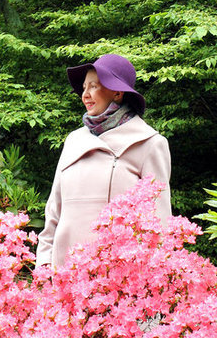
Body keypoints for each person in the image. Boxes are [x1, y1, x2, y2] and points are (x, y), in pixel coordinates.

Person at [35, 53, 171, 269]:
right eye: (84, 87)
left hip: (118, 282)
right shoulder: (73, 141)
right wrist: (42, 266)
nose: (85, 95)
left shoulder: (149, 143)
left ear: (117, 92)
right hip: (64, 278)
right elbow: (53, 213)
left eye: (94, 87)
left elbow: (160, 221)